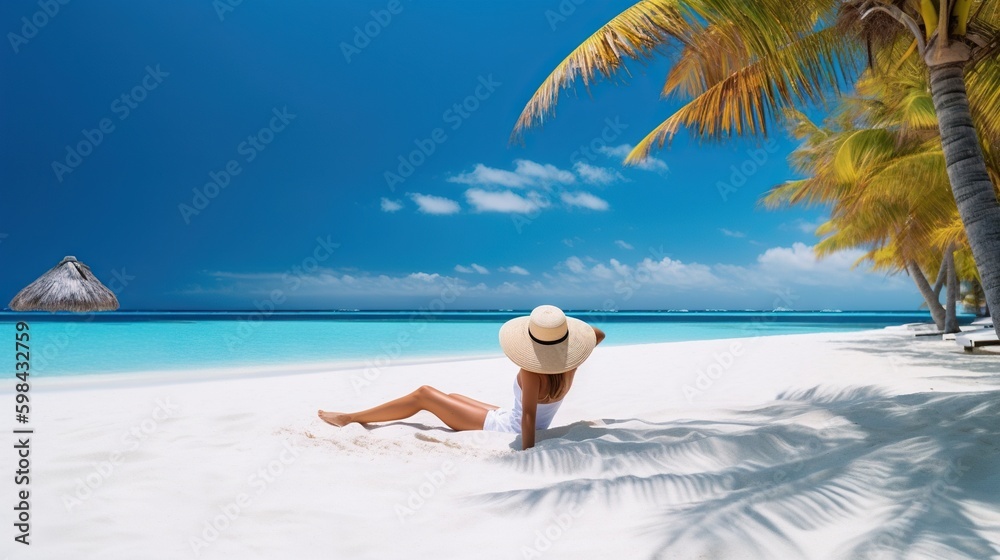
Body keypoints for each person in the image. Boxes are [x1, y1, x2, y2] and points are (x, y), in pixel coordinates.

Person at [318, 305, 605, 450]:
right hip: (512, 417)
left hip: (509, 428)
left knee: (425, 394)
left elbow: (528, 418)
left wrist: (527, 454)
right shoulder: (570, 365)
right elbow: (596, 335)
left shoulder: (533, 371)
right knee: (452, 398)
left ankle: (351, 417)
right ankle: (356, 416)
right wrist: (566, 336)